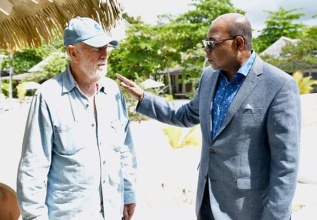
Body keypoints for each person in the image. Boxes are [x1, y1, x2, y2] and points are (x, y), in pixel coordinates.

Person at [117, 13, 301, 220]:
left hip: (248, 209)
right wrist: (143, 97)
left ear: (238, 43)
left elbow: (286, 163)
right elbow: (185, 114)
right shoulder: (209, 77)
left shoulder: (278, 85)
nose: (206, 51)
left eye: (211, 44)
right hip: (207, 204)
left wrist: (275, 216)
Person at [16, 17, 137, 220]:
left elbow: (125, 148)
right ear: (73, 53)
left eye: (106, 47)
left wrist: (128, 193)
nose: (104, 54)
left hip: (113, 213)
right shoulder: (48, 96)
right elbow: (33, 168)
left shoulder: (113, 92)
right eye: (96, 48)